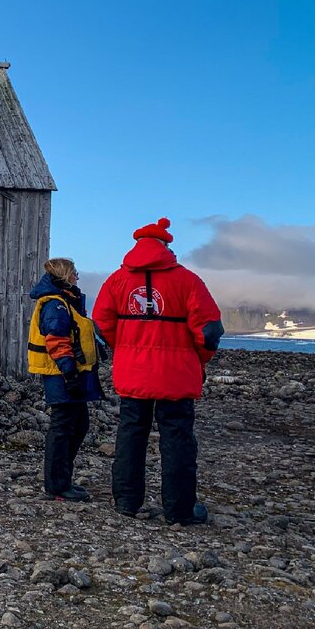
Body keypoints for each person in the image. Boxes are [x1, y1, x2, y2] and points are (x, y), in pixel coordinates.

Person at [93, 218, 223, 525]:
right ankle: (179, 510)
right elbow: (209, 331)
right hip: (176, 375)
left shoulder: (116, 280)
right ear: (166, 246)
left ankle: (126, 502)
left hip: (132, 373)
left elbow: (100, 323)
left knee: (130, 435)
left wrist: (125, 347)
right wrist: (198, 360)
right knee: (177, 439)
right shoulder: (189, 281)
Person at [27, 257, 104, 502]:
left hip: (67, 373)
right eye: (74, 273)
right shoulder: (56, 305)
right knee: (63, 427)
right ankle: (57, 486)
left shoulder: (64, 302)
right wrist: (69, 372)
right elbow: (57, 340)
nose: (77, 277)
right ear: (64, 276)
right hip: (61, 375)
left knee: (77, 425)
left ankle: (62, 481)